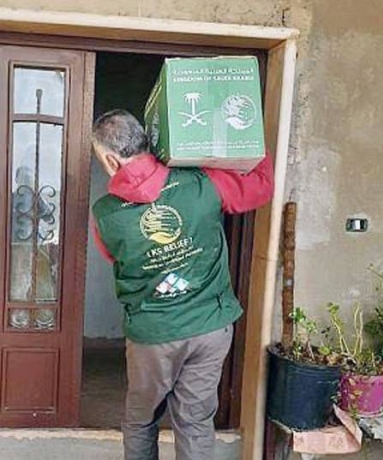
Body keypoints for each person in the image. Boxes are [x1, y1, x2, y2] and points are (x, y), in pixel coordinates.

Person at [91, 109, 274, 460]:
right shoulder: (203, 182)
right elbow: (260, 187)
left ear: (111, 161)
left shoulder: (106, 214)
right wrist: (249, 138)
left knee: (141, 420)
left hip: (153, 336)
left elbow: (118, 257)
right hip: (210, 327)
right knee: (194, 420)